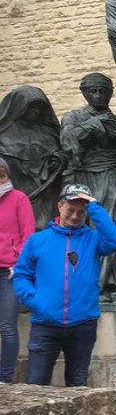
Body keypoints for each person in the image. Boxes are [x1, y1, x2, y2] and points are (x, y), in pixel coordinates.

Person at [12, 184, 116, 386]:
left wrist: (94, 207)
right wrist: (34, 300)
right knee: (36, 383)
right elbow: (21, 275)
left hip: (82, 323)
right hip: (45, 323)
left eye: (81, 212)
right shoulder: (37, 240)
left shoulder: (93, 239)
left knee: (77, 383)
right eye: (70, 210)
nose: (74, 216)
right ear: (60, 206)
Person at [61, 72, 116, 295]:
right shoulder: (73, 118)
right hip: (81, 176)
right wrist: (92, 126)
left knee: (107, 226)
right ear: (84, 92)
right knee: (76, 227)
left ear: (110, 93)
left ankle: (103, 284)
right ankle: (77, 281)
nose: (97, 95)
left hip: (111, 174)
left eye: (103, 91)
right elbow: (67, 144)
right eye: (92, 91)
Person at [0, 85, 66, 229]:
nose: (36, 111)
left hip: (46, 193)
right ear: (18, 107)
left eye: (39, 107)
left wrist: (58, 159)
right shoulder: (3, 133)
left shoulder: (49, 133)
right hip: (16, 187)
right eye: (31, 107)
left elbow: (62, 153)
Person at [0, 158, 35, 384]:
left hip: (8, 272)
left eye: (1, 175)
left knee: (6, 325)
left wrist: (18, 264)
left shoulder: (19, 198)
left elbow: (28, 235)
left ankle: (4, 377)